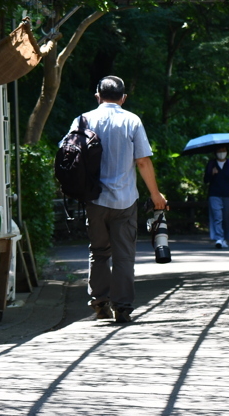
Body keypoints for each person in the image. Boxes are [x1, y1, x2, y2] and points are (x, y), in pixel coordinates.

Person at [73, 75, 167, 324]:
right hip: (125, 200)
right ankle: (122, 307)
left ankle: (100, 302)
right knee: (124, 255)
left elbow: (68, 154)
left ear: (97, 95)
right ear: (123, 98)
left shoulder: (82, 119)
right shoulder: (131, 120)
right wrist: (155, 195)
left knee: (98, 251)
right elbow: (143, 161)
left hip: (94, 200)